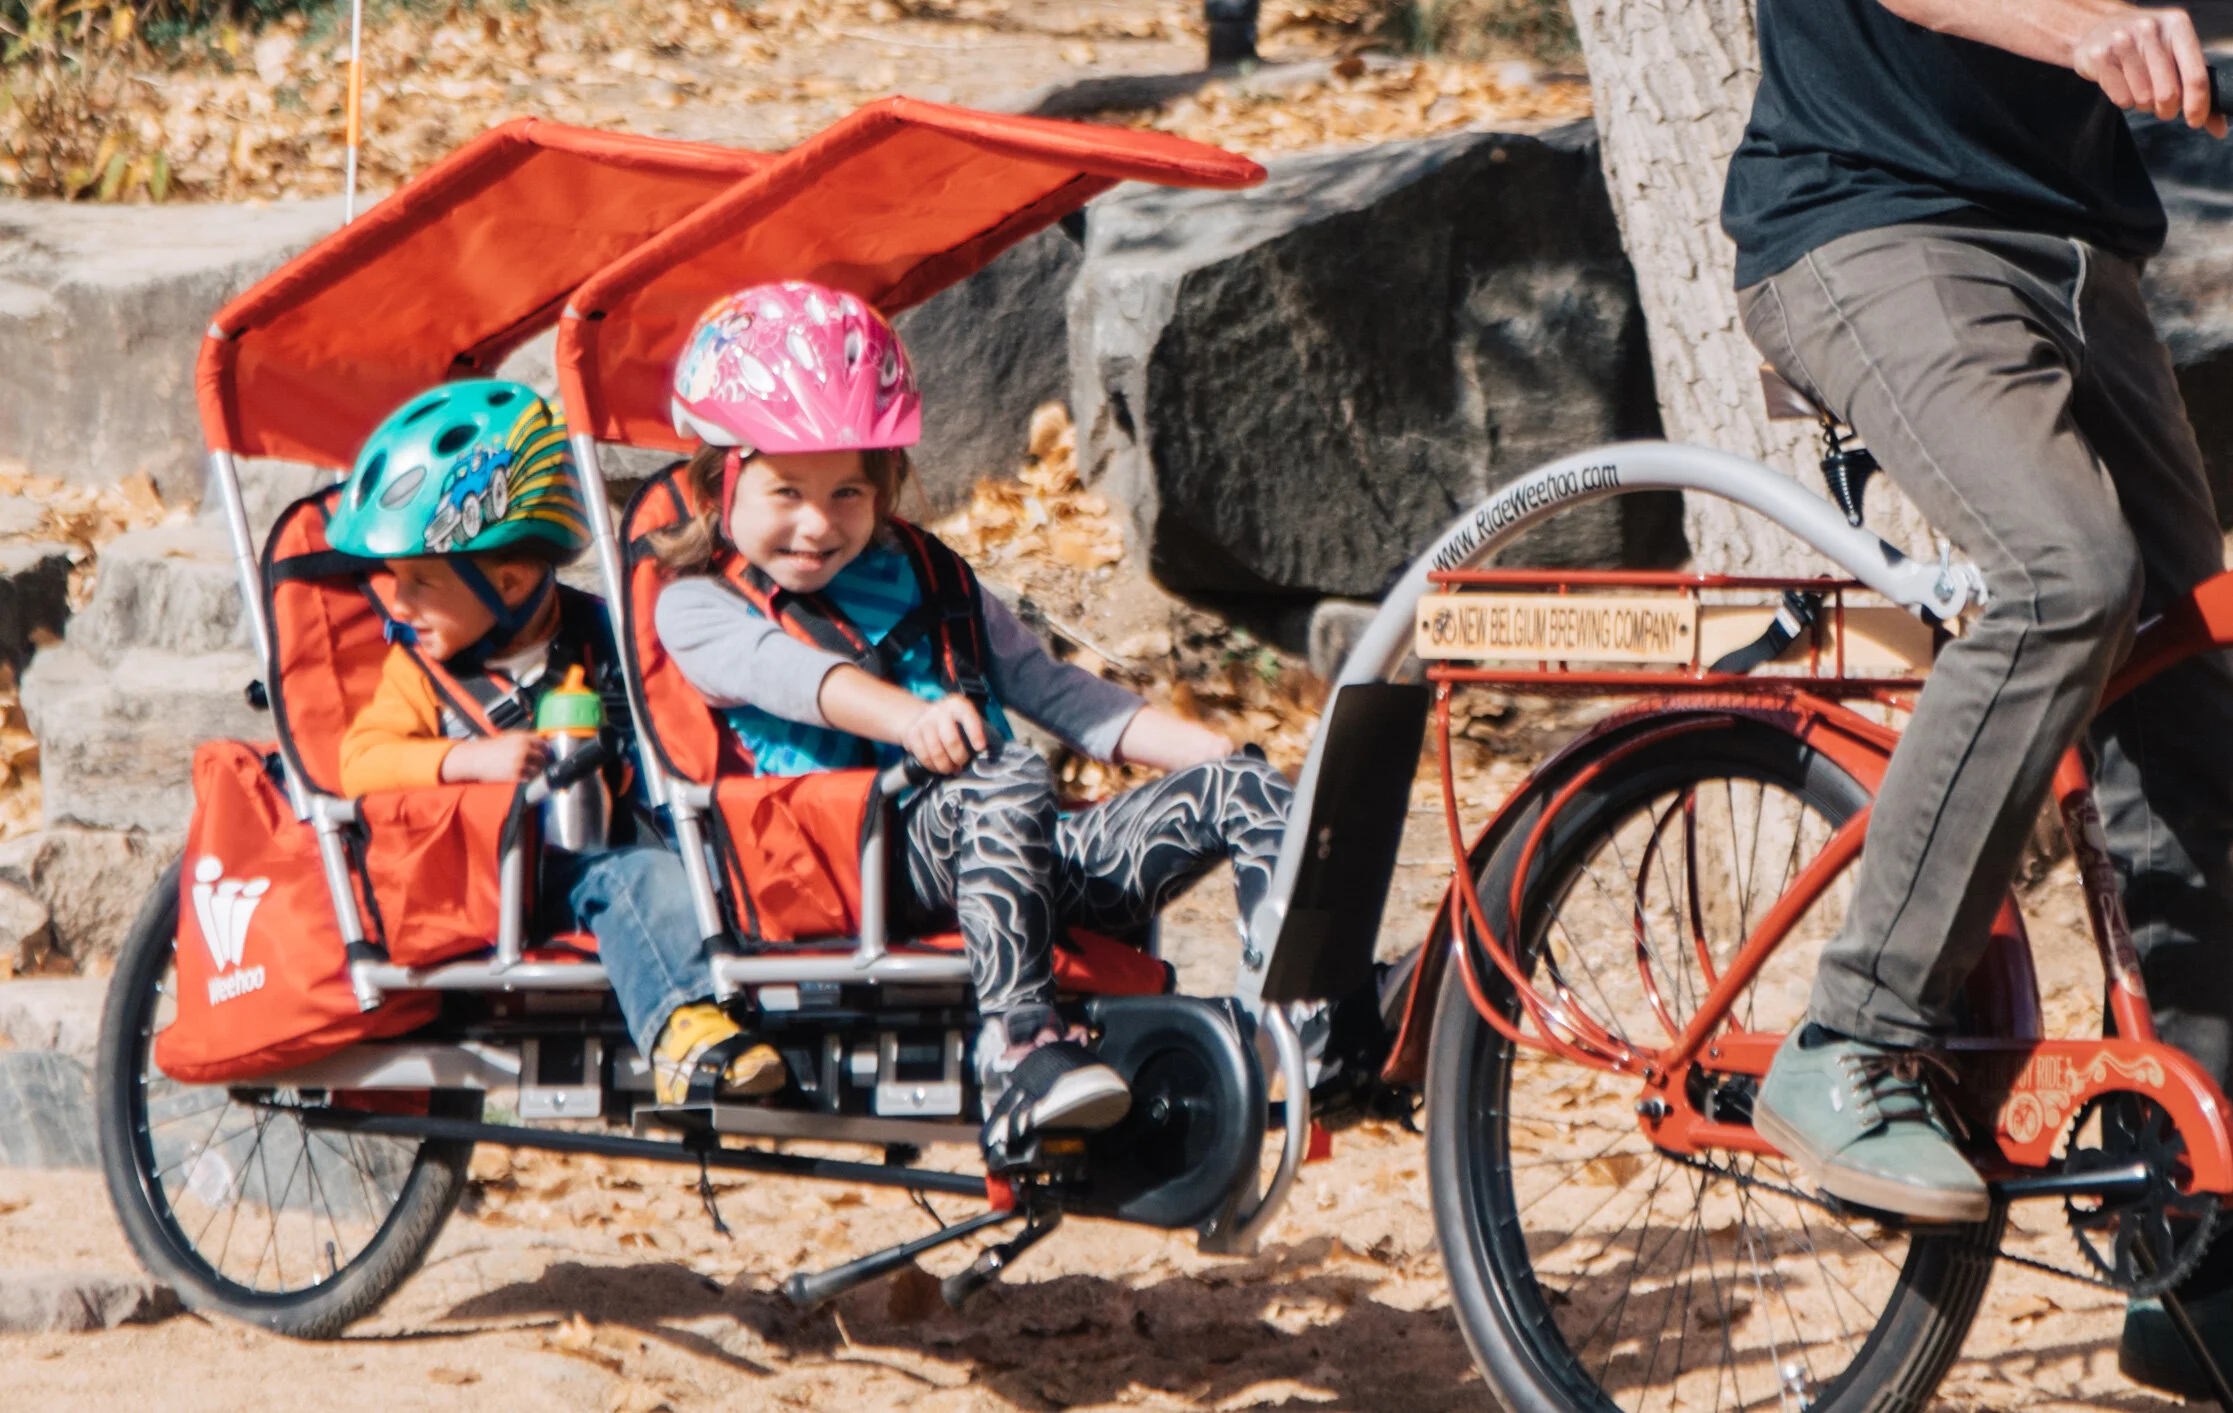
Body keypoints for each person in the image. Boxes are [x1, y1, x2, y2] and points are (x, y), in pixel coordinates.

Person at [1723, 0, 2233, 1390]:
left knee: (2200, 719)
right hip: (1874, 226)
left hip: (2082, 251)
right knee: (2064, 576)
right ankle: (1853, 1035)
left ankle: (2190, 1250)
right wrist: (2087, 28)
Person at [650, 281, 1293, 1169]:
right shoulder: (697, 604)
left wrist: (1208, 749)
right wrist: (911, 719)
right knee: (1003, 773)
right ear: (720, 480)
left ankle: (1297, 1025)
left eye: (847, 491)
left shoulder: (931, 576)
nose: (817, 522)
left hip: (1019, 849)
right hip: (866, 863)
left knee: (1252, 789)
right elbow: (793, 677)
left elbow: (1054, 690)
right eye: (785, 490)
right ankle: (1021, 1049)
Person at [331, 378, 789, 1109]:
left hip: (622, 825)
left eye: (421, 581)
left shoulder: (602, 629)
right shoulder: (419, 669)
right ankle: (684, 1032)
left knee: (708, 846)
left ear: (510, 581)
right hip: (508, 875)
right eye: (395, 581)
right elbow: (359, 764)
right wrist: (464, 760)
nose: (399, 602)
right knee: (629, 877)